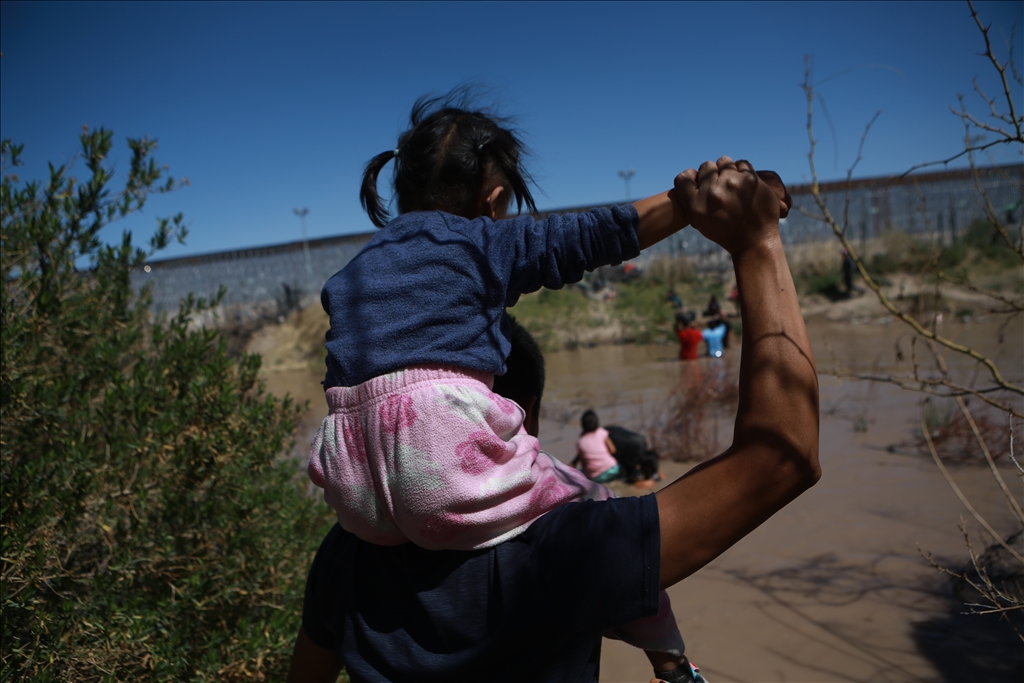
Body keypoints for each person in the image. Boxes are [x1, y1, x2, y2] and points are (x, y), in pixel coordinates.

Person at [290, 157, 814, 682]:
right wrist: (757, 243)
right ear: (521, 412)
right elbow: (782, 459)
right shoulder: (570, 545)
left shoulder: (347, 552)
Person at [307, 91, 690, 674]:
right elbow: (603, 234)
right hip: (440, 453)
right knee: (590, 504)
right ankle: (669, 658)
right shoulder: (483, 241)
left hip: (350, 474)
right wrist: (691, 201)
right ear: (494, 201)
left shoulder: (354, 270)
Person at [573, 409, 622, 483]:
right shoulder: (601, 432)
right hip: (613, 470)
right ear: (597, 422)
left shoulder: (580, 442)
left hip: (596, 477)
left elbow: (584, 464)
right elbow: (613, 450)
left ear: (582, 425)